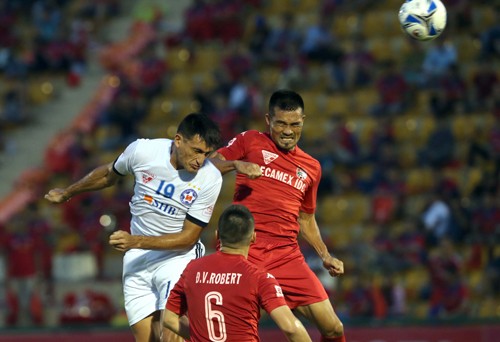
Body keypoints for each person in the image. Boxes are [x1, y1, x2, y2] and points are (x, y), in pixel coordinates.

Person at [44, 112, 261, 342]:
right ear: (178, 140)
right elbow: (109, 174)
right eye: (197, 151)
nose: (200, 160)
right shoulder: (142, 152)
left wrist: (135, 241)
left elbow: (188, 238)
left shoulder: (209, 178)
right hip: (137, 258)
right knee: (148, 339)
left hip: (177, 257)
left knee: (170, 333)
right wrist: (68, 193)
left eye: (206, 154)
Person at [211, 90, 346, 341]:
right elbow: (209, 165)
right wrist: (236, 165)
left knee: (334, 329)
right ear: (268, 120)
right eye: (280, 123)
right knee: (236, 333)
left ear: (303, 121)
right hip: (244, 252)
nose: (287, 131)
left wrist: (325, 255)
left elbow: (306, 219)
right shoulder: (249, 140)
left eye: (295, 124)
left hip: (286, 256)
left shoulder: (312, 167)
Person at [164, 204, 312, 342]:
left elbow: (169, 318)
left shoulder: (192, 269)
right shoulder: (259, 278)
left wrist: (198, 336)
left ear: (217, 235)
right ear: (253, 237)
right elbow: (290, 328)